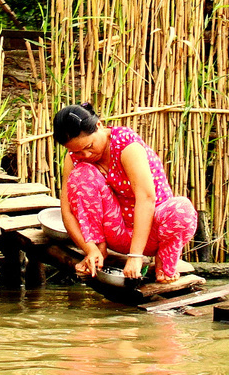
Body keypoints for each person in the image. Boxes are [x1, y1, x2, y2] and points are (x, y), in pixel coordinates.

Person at [53, 103, 198, 283]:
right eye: (77, 151)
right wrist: (90, 249)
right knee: (81, 174)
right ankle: (100, 250)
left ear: (99, 125)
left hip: (153, 233)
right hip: (116, 232)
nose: (86, 155)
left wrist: (135, 256)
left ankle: (164, 261)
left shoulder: (125, 144)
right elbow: (66, 211)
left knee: (182, 209)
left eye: (89, 146)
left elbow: (146, 198)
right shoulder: (73, 156)